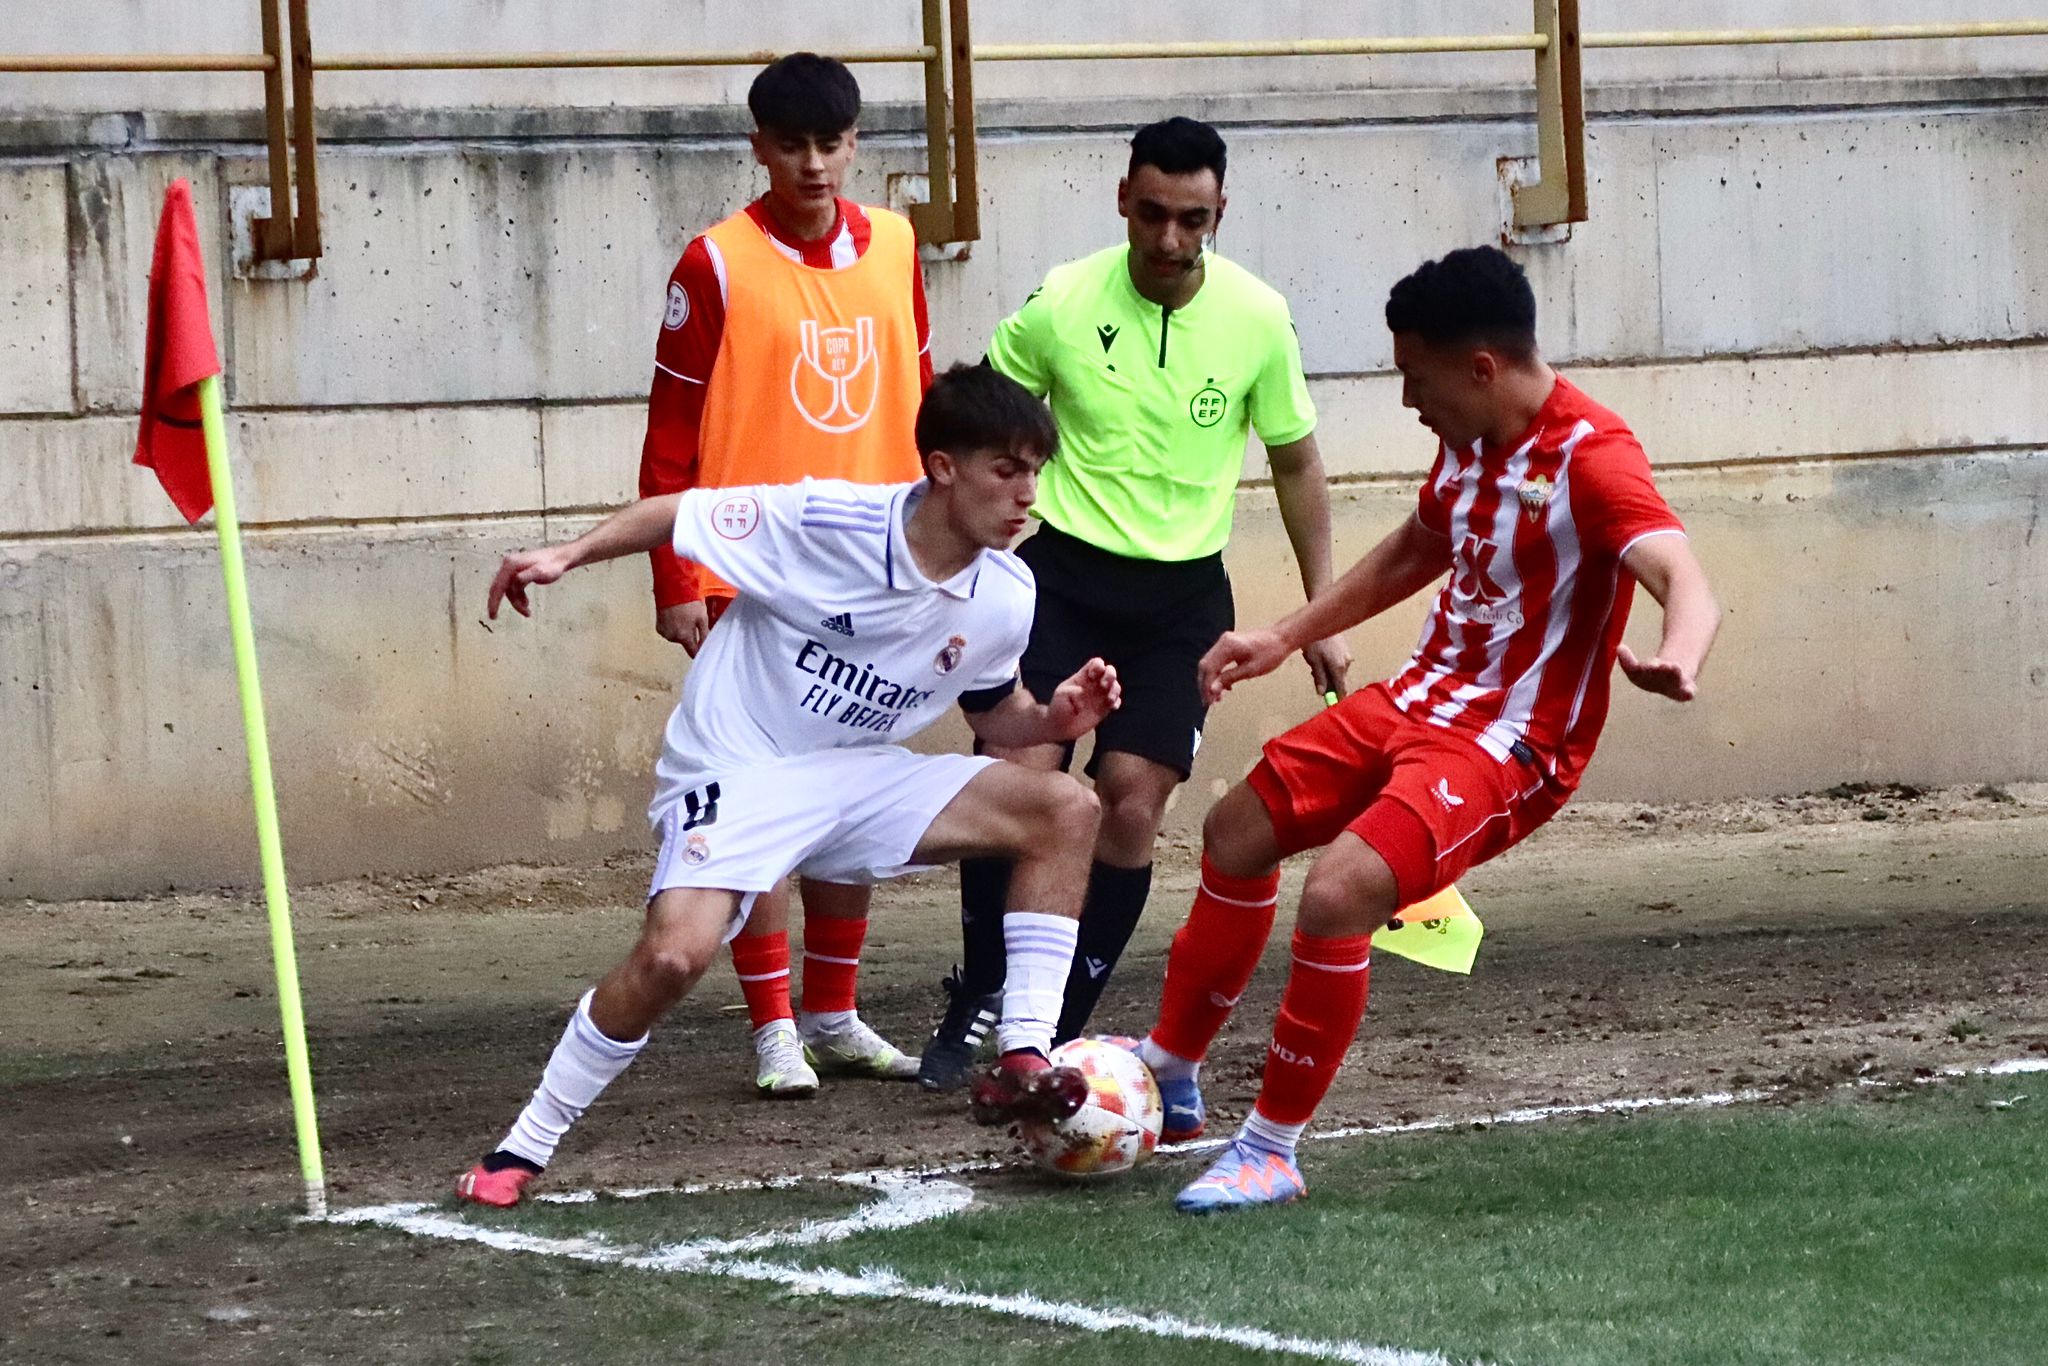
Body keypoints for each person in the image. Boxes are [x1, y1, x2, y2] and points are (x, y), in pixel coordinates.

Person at [1133, 245, 1722, 1213]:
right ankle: (1171, 1065)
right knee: (1234, 831)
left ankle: (1270, 1148)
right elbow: (1419, 542)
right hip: (1416, 699)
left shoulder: (1593, 456)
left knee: (1337, 891)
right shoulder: (1471, 434)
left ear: (1478, 366)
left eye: (1413, 375)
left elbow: (1681, 574)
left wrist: (1679, 651)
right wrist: (1284, 634)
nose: (1407, 399)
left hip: (1509, 743)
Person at [457, 367, 1120, 1208]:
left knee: (1067, 808)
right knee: (670, 957)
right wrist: (567, 554)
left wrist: (1055, 721)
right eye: (1007, 470)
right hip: (740, 764)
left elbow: (997, 712)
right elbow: (681, 514)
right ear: (944, 467)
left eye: (1036, 472)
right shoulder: (828, 520)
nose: (1028, 494)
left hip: (858, 775)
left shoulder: (1004, 595)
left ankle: (1025, 1056)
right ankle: (523, 1148)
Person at [918, 117, 1352, 1088]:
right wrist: (946, 559)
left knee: (1128, 802)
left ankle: (1058, 1020)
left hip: (1180, 601)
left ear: (1218, 214)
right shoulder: (1063, 303)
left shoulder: (1256, 317)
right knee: (1017, 778)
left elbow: (1294, 461)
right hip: (1060, 575)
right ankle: (985, 987)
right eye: (1151, 214)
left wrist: (1320, 612)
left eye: (1190, 220)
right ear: (1123, 200)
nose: (1167, 239)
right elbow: (981, 423)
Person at [639, 53, 936, 1098]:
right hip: (754, 575)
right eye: (793, 144)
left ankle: (836, 1010)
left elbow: (923, 397)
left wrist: (942, 538)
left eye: (832, 142)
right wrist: (674, 578)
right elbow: (670, 435)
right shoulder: (712, 264)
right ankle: (772, 1028)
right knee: (759, 796)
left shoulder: (897, 245)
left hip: (875, 570)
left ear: (856, 142)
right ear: (759, 148)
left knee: (848, 786)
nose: (814, 163)